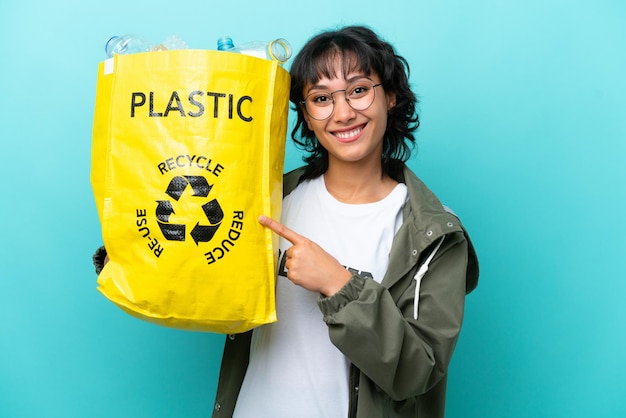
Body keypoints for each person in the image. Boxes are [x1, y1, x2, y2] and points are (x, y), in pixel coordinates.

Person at [93, 25, 479, 418]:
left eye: (359, 90)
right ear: (307, 117)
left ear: (391, 97)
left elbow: (417, 373)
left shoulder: (434, 233)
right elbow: (204, 288)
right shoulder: (265, 203)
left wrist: (339, 284)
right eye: (321, 98)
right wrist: (137, 256)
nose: (343, 112)